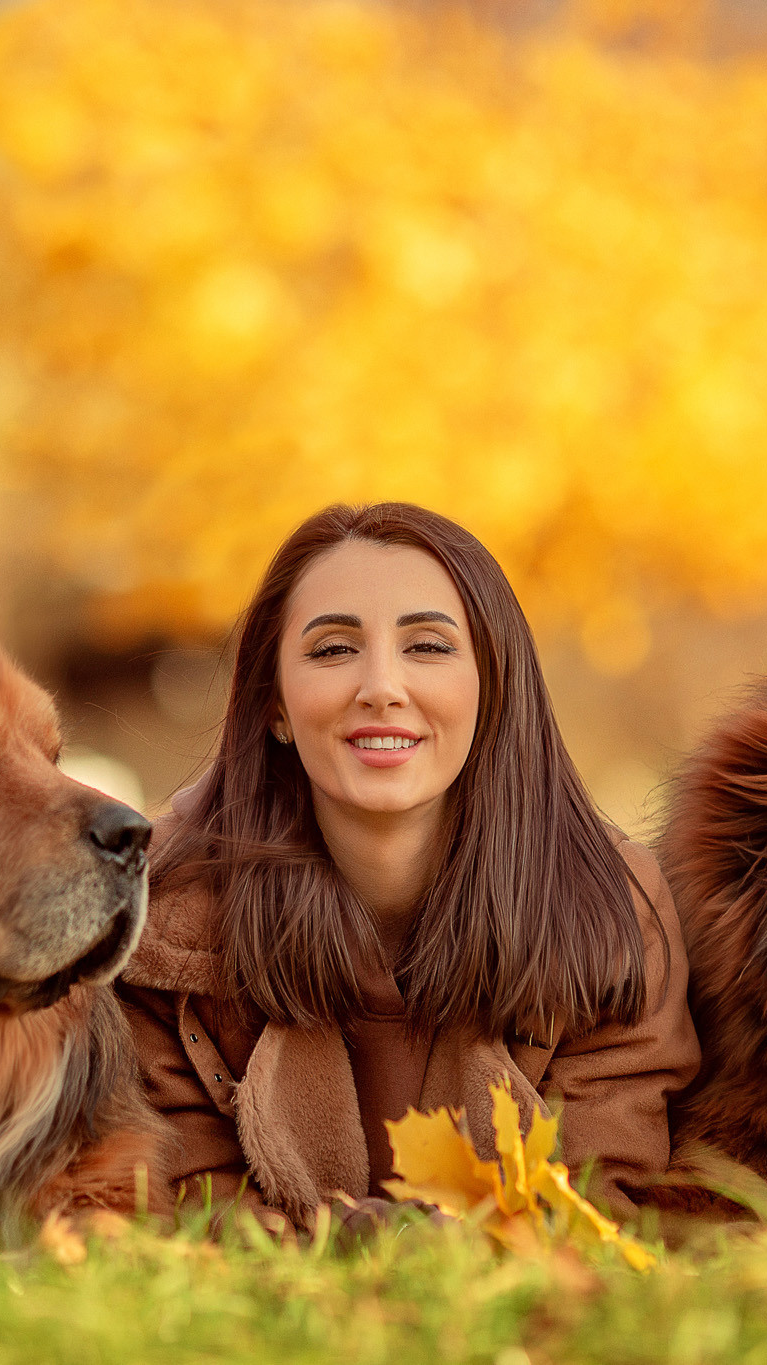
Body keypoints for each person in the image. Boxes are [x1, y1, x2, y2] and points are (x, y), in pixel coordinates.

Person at [117, 503, 697, 1231]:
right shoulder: (168, 919)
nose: (382, 686)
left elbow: (596, 1209)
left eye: (427, 646)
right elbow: (196, 1217)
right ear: (275, 706)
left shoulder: (609, 908)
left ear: (492, 690)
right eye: (332, 650)